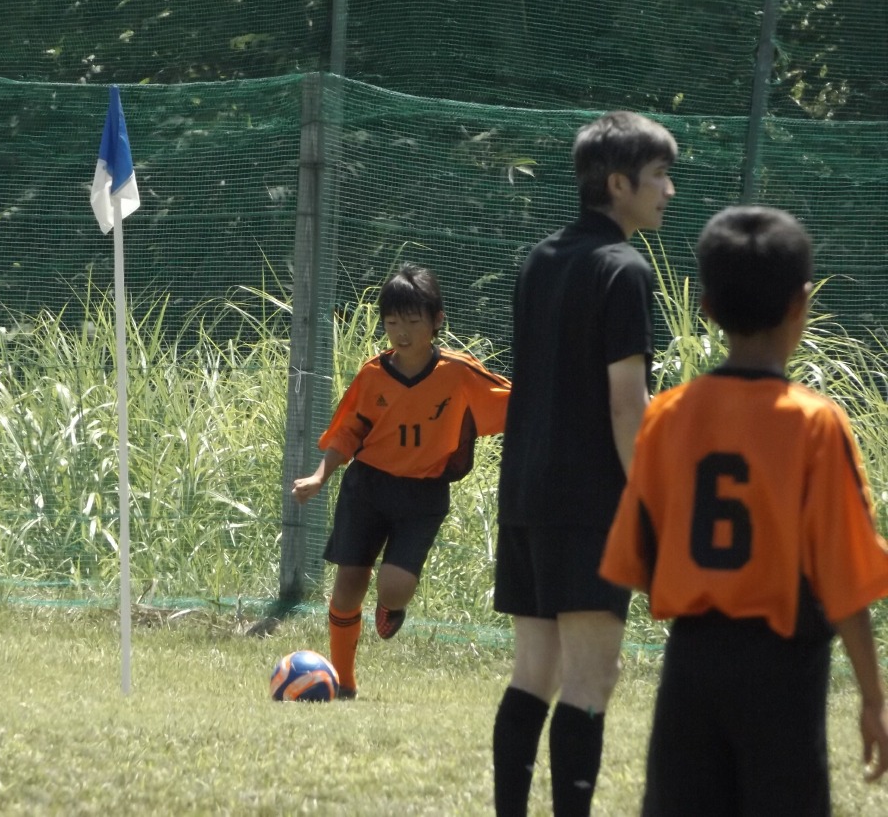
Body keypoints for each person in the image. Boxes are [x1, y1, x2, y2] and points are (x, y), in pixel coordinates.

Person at [600, 205, 888, 815]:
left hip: (692, 664)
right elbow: (844, 579)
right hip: (784, 669)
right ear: (801, 303)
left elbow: (637, 558)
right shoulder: (815, 423)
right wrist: (873, 697)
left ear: (706, 307)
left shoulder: (668, 416)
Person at [491, 110, 677, 816]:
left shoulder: (539, 259)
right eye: (659, 175)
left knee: (534, 672)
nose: (669, 190)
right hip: (589, 504)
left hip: (526, 496)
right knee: (591, 681)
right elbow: (627, 406)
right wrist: (651, 506)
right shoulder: (624, 269)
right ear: (618, 183)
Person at [292, 263, 511, 699]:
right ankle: (344, 684)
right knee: (348, 587)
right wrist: (319, 476)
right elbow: (347, 433)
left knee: (393, 589)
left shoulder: (459, 372)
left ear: (437, 319)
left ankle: (391, 608)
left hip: (423, 495)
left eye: (413, 321)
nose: (402, 332)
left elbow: (517, 403)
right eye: (392, 322)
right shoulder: (373, 374)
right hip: (367, 489)